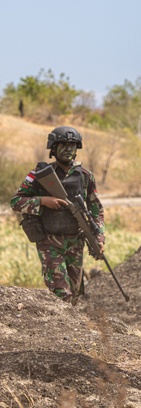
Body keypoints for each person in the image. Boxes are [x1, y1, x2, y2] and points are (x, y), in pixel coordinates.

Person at [10, 126, 105, 304]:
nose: (68, 149)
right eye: (63, 145)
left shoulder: (85, 176)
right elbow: (16, 202)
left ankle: (73, 328)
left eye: (72, 145)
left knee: (76, 292)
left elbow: (96, 209)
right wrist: (42, 201)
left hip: (75, 241)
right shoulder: (38, 175)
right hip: (49, 241)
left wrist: (99, 237)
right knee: (62, 293)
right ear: (53, 148)